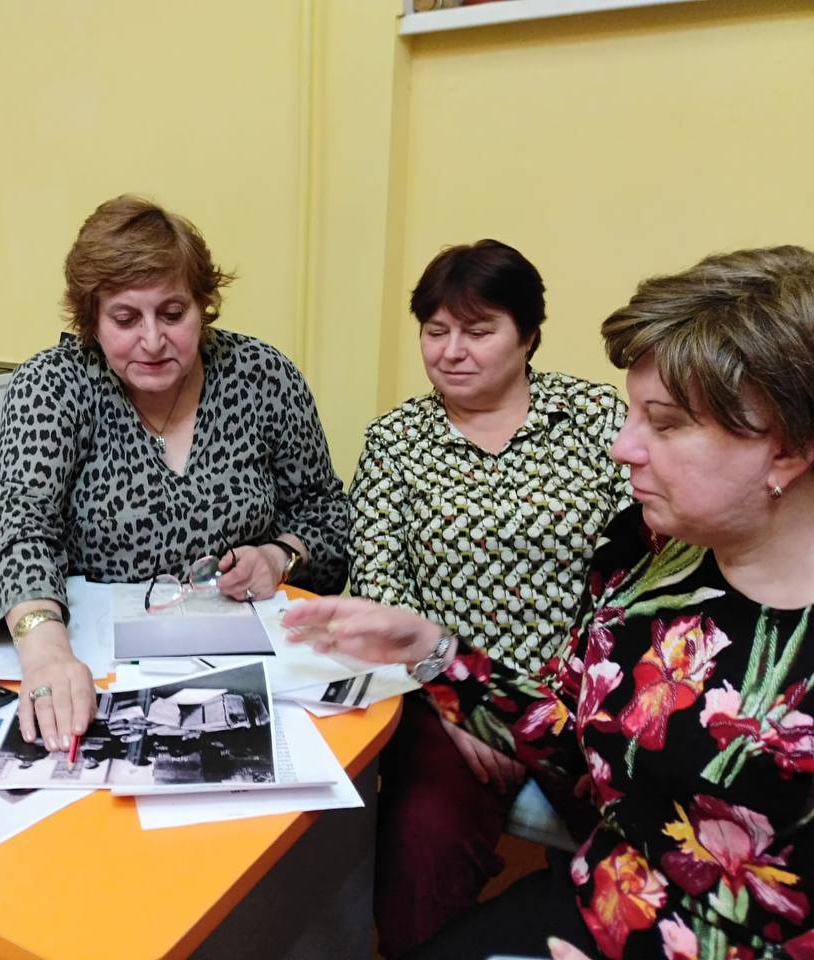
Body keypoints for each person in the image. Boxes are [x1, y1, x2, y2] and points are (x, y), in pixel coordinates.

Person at [285, 245, 814, 959]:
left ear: (787, 448)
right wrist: (432, 652)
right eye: (436, 331)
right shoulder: (643, 560)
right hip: (610, 903)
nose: (623, 448)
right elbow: (578, 741)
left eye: (663, 424)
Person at [0, 194, 349, 753]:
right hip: (92, 662)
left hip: (245, 661)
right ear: (92, 321)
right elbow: (24, 531)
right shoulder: (53, 385)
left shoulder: (263, 377)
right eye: (125, 319)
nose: (152, 340)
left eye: (173, 314)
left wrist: (279, 556)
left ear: (203, 306)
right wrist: (47, 652)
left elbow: (326, 512)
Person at [348, 239, 632, 956]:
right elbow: (381, 586)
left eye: (478, 331)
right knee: (420, 854)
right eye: (435, 331)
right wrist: (462, 704)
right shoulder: (395, 441)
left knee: (636, 850)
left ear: (528, 335)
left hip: (582, 694)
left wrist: (559, 698)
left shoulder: (595, 419)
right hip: (442, 698)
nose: (451, 351)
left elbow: (635, 567)